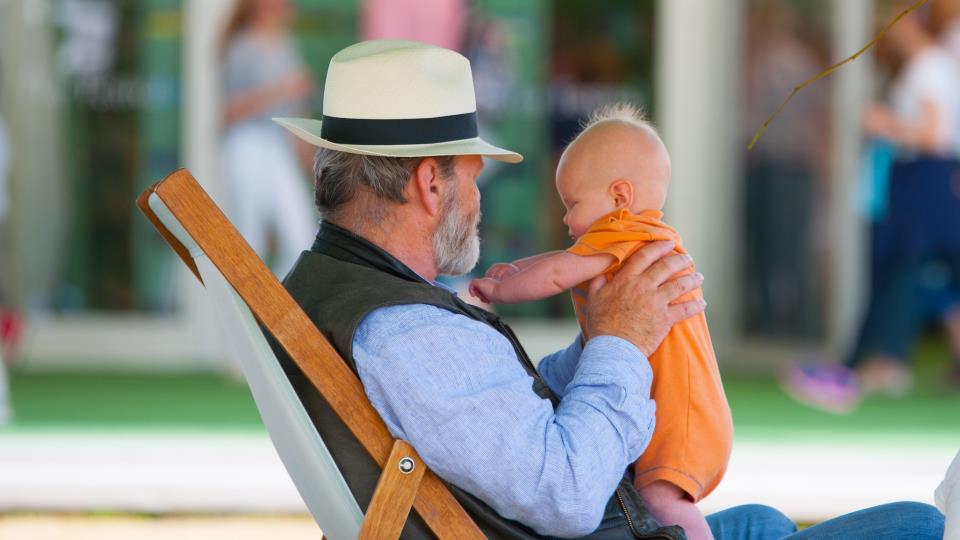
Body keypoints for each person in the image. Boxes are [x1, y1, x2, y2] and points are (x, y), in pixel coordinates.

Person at [269, 39, 945, 539]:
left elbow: (509, 425)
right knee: (916, 525)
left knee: (765, 521)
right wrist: (622, 343)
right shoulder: (402, 332)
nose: (478, 200)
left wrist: (614, 331)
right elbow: (564, 492)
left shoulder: (348, 292)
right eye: (473, 176)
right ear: (430, 183)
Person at [469, 104, 729, 540]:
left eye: (572, 205)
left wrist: (504, 291)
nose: (566, 220)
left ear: (619, 198)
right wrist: (517, 268)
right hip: (691, 411)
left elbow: (558, 273)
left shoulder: (626, 232)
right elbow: (566, 261)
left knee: (664, 499)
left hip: (679, 417)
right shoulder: (635, 239)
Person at [785, 4, 960, 411]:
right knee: (940, 277)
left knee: (907, 269)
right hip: (925, 180)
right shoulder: (929, 63)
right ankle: (875, 362)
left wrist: (884, 124)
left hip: (925, 180)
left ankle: (870, 364)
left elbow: (935, 135)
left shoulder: (929, 64)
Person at [220, 0, 317, 276]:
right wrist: (281, 90)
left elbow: (297, 110)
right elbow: (226, 112)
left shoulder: (285, 45)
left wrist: (310, 163)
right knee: (250, 236)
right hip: (247, 142)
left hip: (279, 145)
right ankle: (248, 309)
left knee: (301, 238)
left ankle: (272, 308)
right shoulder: (242, 47)